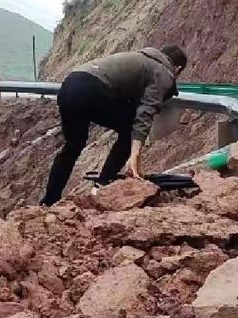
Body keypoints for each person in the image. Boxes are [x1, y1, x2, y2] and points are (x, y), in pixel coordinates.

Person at [40, 45, 187, 206]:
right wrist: (134, 154)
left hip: (69, 85)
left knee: (73, 145)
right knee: (130, 129)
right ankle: (102, 184)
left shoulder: (140, 59)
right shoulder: (164, 71)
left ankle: (49, 200)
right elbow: (145, 113)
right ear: (177, 69)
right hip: (93, 89)